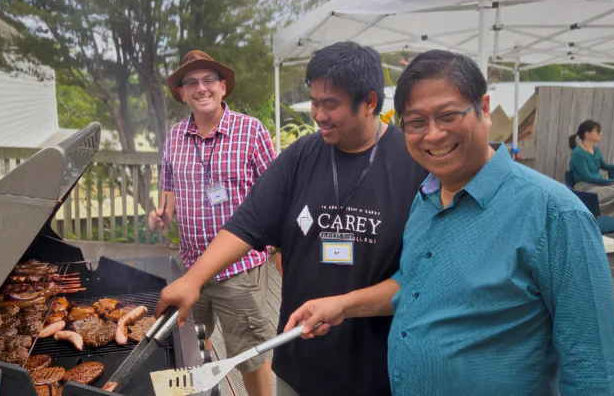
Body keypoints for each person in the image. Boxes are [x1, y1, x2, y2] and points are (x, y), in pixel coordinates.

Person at [284, 49, 614, 395]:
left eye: (447, 115)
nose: (432, 135)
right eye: (416, 122)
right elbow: (415, 282)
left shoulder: (555, 214)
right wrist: (343, 304)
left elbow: (595, 370)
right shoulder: (426, 199)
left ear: (484, 108)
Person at [154, 41, 428, 396]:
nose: (318, 114)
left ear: (370, 102)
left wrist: (344, 305)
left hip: (379, 368)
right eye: (314, 102)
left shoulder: (412, 163)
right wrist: (195, 278)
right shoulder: (302, 155)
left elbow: (422, 279)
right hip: (300, 361)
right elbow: (247, 222)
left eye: (331, 104)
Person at [148, 50, 277, 396]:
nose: (200, 88)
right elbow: (169, 191)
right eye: (191, 82)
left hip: (239, 271)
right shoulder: (175, 136)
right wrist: (161, 215)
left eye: (208, 80)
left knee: (250, 355)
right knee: (191, 348)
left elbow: (276, 195)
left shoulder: (251, 132)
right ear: (182, 92)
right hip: (190, 270)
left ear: (223, 87)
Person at [569, 119, 614, 219]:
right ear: (587, 134)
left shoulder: (595, 150)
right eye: (598, 131)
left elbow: (605, 166)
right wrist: (613, 181)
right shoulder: (578, 153)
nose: (600, 133)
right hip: (586, 189)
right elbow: (587, 177)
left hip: (599, 186)